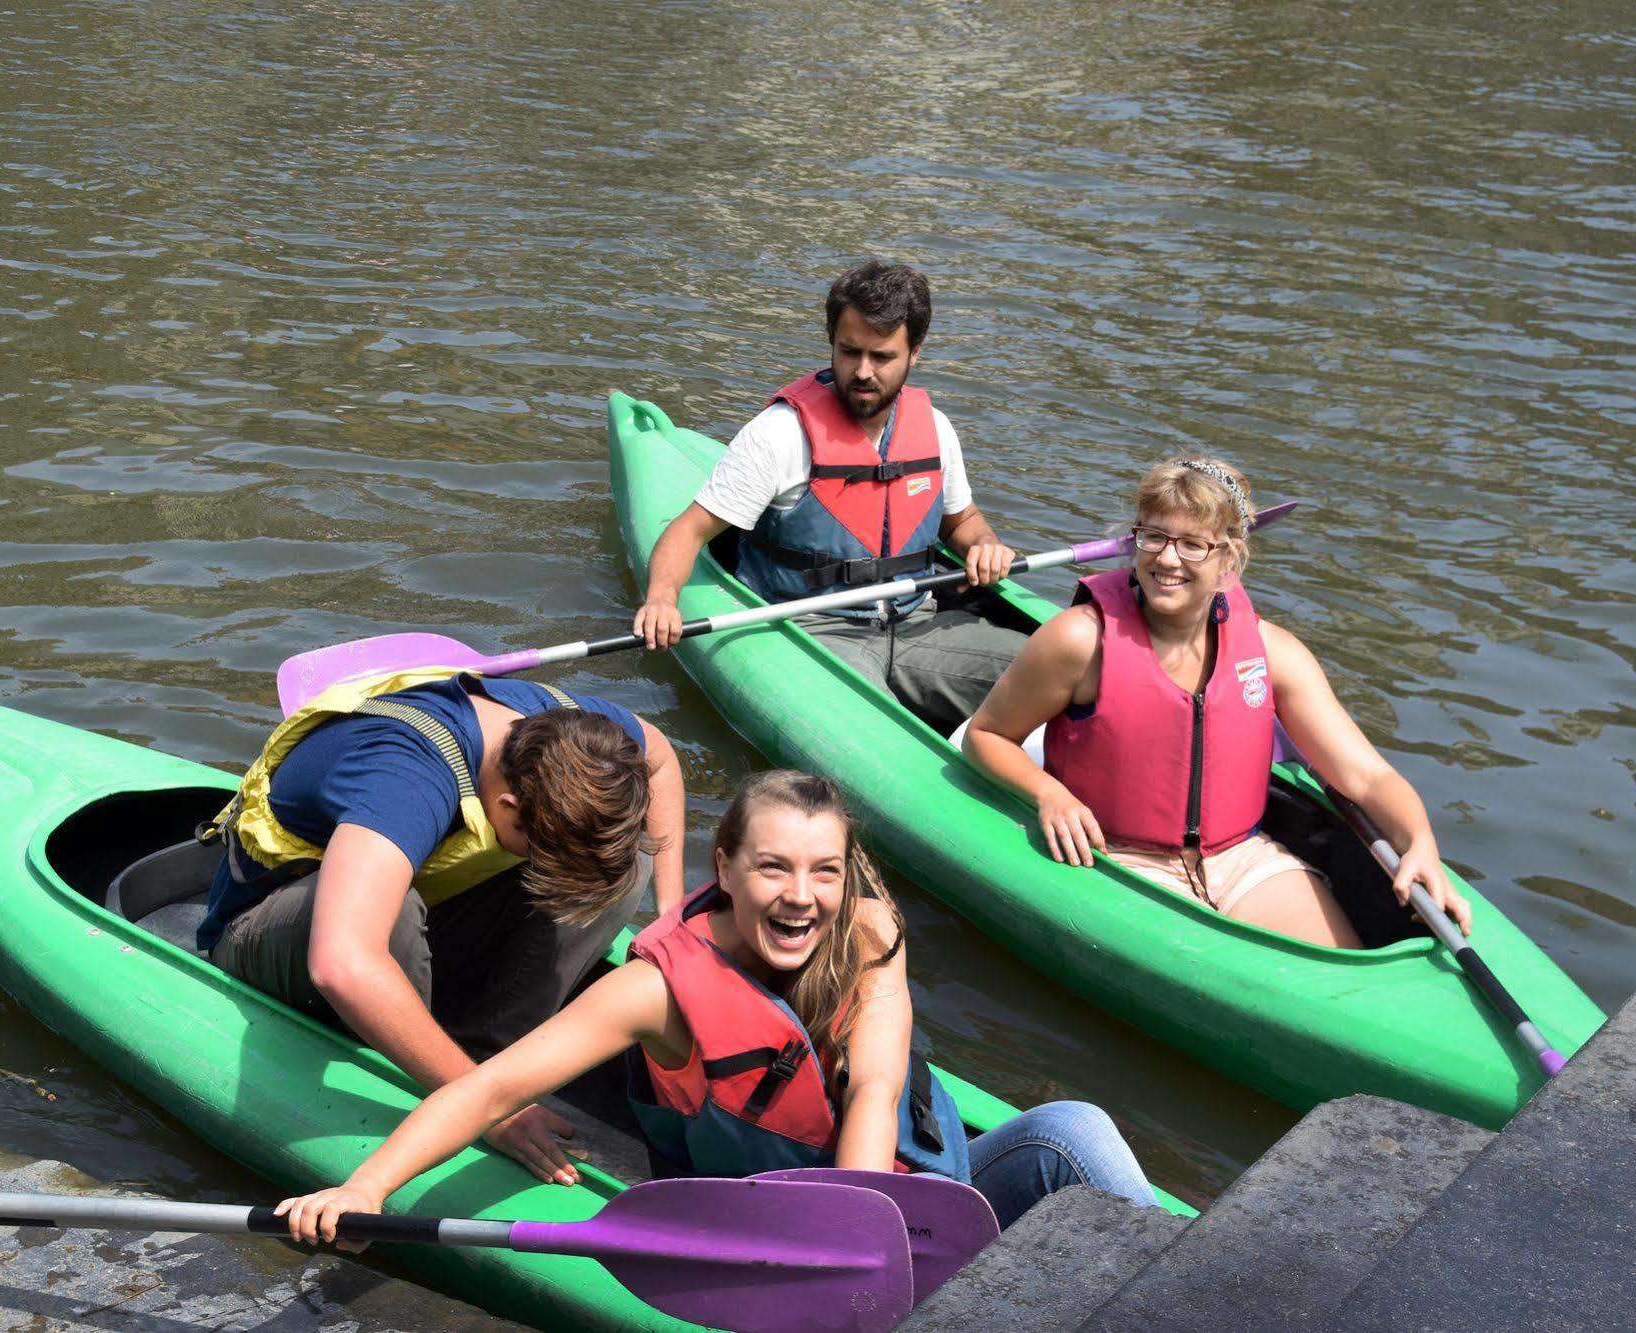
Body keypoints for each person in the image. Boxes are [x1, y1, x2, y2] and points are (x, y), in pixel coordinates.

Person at [271, 770, 1157, 1247]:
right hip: (758, 1231)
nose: (800, 896)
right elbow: (491, 1087)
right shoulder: (656, 988)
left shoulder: (870, 929)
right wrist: (365, 1187)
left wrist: (861, 1235)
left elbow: (877, 1087)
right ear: (723, 866)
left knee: (1071, 1128)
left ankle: (1185, 1284)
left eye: (822, 871)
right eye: (772, 867)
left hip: (905, 1200)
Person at [196, 665, 687, 1181]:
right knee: (390, 921)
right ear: (509, 805)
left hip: (412, 906)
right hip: (265, 931)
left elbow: (660, 760)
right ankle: (459, 1084)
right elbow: (343, 963)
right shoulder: (405, 780)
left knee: (623, 864)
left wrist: (671, 920)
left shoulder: (589, 739)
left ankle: (486, 1057)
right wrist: (483, 1111)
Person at [961, 458, 1474, 949]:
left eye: (1192, 545)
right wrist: (1049, 794)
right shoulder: (1078, 641)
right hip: (1114, 856)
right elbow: (985, 736)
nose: (1166, 559)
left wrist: (1419, 839)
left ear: (1229, 558)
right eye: (1154, 537)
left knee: (1348, 982)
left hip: (1242, 857)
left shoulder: (1273, 652)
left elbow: (1367, 777)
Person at [632, 260, 1027, 733]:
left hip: (918, 622)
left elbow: (963, 522)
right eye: (849, 352)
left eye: (881, 357)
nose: (862, 371)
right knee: (877, 729)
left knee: (1062, 673)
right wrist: (660, 599)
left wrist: (983, 543)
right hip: (814, 630)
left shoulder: (935, 429)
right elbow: (688, 530)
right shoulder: (781, 435)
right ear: (832, 344)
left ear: (915, 353)